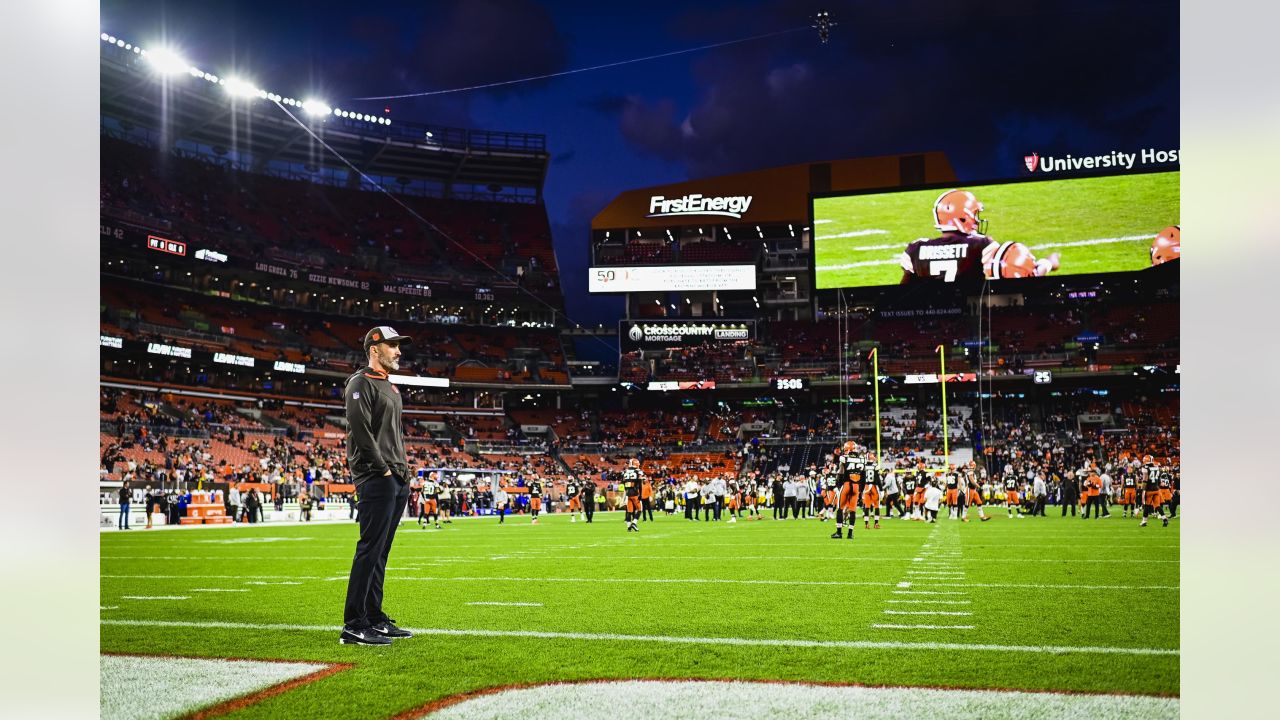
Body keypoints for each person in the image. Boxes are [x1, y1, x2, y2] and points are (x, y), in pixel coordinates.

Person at [341, 326, 415, 646]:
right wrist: (383, 471)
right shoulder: (360, 383)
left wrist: (402, 473)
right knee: (369, 550)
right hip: (376, 477)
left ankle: (374, 617)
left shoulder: (390, 386)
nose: (399, 351)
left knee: (381, 553)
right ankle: (353, 624)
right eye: (393, 346)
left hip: (396, 478)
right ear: (375, 349)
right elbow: (360, 431)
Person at [899, 189, 1061, 284]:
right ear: (963, 217)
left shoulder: (916, 249)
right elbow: (1022, 277)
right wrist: (1048, 263)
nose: (977, 220)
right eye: (975, 214)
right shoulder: (982, 246)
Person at [622, 458, 643, 532]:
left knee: (629, 511)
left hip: (628, 493)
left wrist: (627, 491)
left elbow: (623, 483)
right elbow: (640, 484)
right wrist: (641, 494)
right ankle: (634, 523)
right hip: (635, 493)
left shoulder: (625, 471)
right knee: (640, 510)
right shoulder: (638, 471)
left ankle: (628, 527)